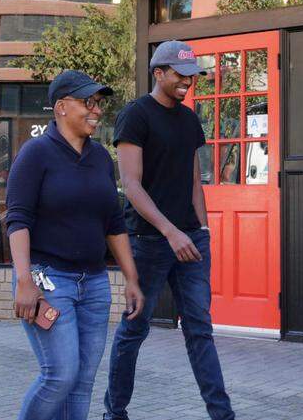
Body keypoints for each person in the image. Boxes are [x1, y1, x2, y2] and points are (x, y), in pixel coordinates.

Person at [104, 41, 235, 420]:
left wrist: (201, 228)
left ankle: (222, 415)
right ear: (158, 73)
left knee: (200, 331)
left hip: (191, 241)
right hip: (147, 242)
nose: (187, 82)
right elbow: (131, 185)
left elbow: (194, 180)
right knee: (134, 330)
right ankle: (115, 412)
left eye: (192, 76)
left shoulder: (189, 119)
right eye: (180, 75)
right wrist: (170, 231)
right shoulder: (135, 116)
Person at [5, 70, 145, 420]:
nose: (96, 111)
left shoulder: (100, 157)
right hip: (48, 281)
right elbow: (17, 220)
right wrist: (24, 281)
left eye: (98, 103)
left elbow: (114, 222)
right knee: (60, 375)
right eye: (88, 103)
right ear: (61, 107)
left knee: (82, 381)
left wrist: (131, 278)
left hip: (94, 284)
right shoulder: (35, 153)